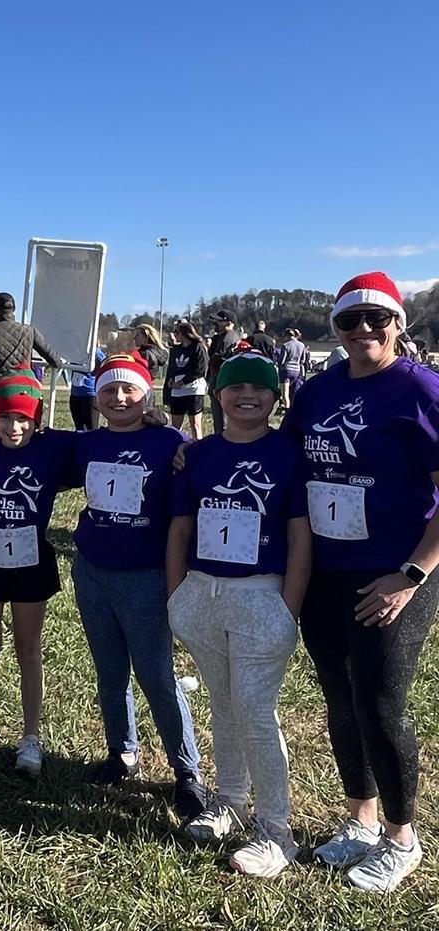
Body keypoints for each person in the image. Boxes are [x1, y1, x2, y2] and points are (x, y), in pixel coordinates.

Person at [283, 272, 439, 893]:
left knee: (379, 703)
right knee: (339, 700)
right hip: (326, 572)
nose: (365, 331)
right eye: (351, 321)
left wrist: (410, 574)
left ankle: (404, 837)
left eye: (378, 319)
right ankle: (362, 822)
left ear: (399, 323)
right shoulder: (318, 392)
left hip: (394, 574)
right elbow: (285, 463)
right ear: (336, 330)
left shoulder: (420, 390)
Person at [166, 351, 311, 878]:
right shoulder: (197, 455)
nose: (246, 395)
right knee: (224, 705)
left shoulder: (289, 453)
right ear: (217, 395)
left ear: (275, 397)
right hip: (203, 594)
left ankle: (277, 829)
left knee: (253, 708)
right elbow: (180, 528)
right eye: (234, 387)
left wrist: (287, 606)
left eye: (258, 387)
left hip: (261, 594)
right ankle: (230, 801)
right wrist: (176, 596)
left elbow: (300, 535)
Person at [65, 354, 206, 821]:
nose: (119, 398)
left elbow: (210, 471)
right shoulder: (87, 444)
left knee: (156, 675)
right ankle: (122, 752)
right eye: (108, 390)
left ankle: (187, 771)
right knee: (109, 670)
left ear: (147, 394)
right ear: (96, 398)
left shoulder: (170, 442)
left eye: (129, 390)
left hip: (146, 576)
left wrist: (186, 443)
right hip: (93, 572)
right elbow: (28, 447)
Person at [0, 370, 74, 775]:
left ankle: (30, 736)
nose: (14, 426)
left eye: (23, 418)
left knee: (28, 649)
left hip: (31, 557)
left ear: (36, 418)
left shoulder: (52, 447)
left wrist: (157, 421)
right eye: (5, 417)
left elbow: (102, 443)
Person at [0, 292, 61, 434]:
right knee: (20, 438)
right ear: (13, 311)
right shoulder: (29, 331)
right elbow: (54, 359)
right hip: (22, 392)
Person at [166, 322, 209, 440]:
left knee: (195, 424)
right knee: (175, 426)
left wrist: (183, 381)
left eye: (177, 332)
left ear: (184, 334)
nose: (175, 335)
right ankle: (174, 447)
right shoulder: (177, 349)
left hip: (194, 388)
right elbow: (173, 367)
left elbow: (201, 368)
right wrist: (171, 379)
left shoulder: (198, 346)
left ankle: (198, 448)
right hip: (177, 389)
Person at [206, 310, 242, 434]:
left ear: (229, 323)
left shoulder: (228, 338)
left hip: (222, 385)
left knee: (222, 423)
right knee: (219, 422)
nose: (216, 323)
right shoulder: (220, 337)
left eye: (220, 321)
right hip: (217, 384)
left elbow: (220, 362)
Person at [69, 347, 108, 431]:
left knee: (91, 428)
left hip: (90, 395)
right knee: (79, 428)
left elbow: (105, 364)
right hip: (75, 394)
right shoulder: (74, 349)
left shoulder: (95, 352)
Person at [278, 327, 308, 409]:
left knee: (285, 394)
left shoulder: (285, 345)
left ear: (286, 336)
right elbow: (303, 360)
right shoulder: (301, 345)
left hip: (286, 371)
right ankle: (294, 408)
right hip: (296, 371)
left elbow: (282, 360)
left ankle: (287, 411)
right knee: (293, 392)